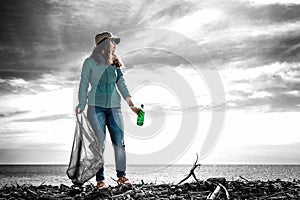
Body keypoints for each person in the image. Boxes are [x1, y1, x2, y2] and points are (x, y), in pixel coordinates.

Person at [75, 31, 139, 189]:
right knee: (99, 145)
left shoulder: (115, 63)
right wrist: (81, 104)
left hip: (115, 107)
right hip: (95, 107)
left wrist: (132, 105)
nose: (115, 45)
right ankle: (100, 180)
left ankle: (122, 177)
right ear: (104, 44)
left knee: (119, 143)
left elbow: (121, 84)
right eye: (113, 42)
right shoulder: (89, 63)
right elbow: (83, 84)